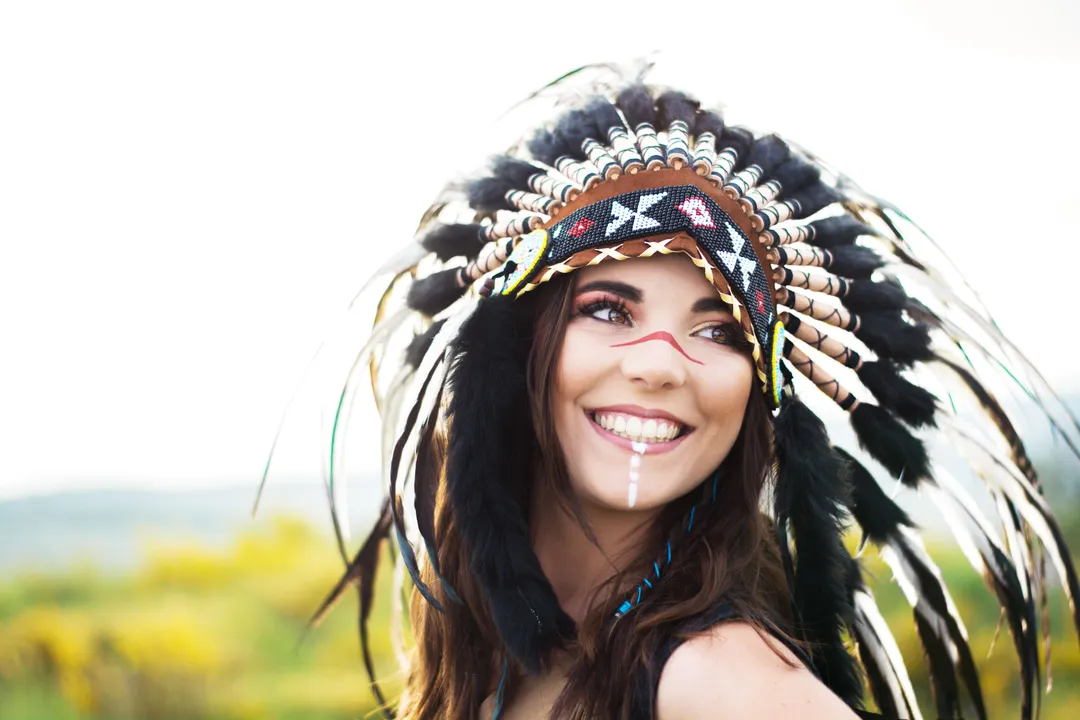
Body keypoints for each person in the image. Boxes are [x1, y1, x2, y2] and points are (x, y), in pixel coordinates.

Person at [291, 67, 1079, 719]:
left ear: (760, 396)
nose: (662, 365)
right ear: (512, 346)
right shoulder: (496, 657)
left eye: (720, 331)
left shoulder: (718, 680)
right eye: (609, 310)